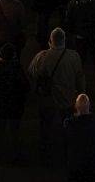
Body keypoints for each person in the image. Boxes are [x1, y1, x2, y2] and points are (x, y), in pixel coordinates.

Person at [28, 27, 85, 164]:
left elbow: (31, 73)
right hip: (68, 99)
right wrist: (81, 93)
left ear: (50, 41)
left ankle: (45, 153)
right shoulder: (74, 56)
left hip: (48, 99)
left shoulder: (41, 57)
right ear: (64, 40)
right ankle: (68, 152)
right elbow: (80, 79)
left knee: (46, 127)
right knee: (68, 126)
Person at [65, 93, 95, 182]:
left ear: (76, 107)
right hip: (93, 164)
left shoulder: (70, 124)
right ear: (89, 106)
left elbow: (65, 142)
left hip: (76, 164)